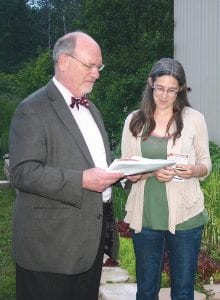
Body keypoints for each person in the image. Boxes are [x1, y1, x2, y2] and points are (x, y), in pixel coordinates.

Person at [9, 31, 124, 300]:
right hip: (50, 248)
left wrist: (125, 173)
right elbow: (22, 172)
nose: (96, 74)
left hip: (89, 242)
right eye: (90, 66)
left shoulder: (92, 109)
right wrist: (81, 180)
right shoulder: (32, 109)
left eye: (99, 67)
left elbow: (96, 163)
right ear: (63, 61)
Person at [121, 58, 212, 300]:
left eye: (171, 90)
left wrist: (194, 170)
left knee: (183, 291)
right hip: (146, 216)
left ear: (181, 89)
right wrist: (152, 173)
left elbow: (206, 163)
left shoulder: (194, 119)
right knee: (147, 289)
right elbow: (127, 170)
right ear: (150, 83)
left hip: (185, 216)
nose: (164, 95)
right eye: (159, 88)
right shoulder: (134, 120)